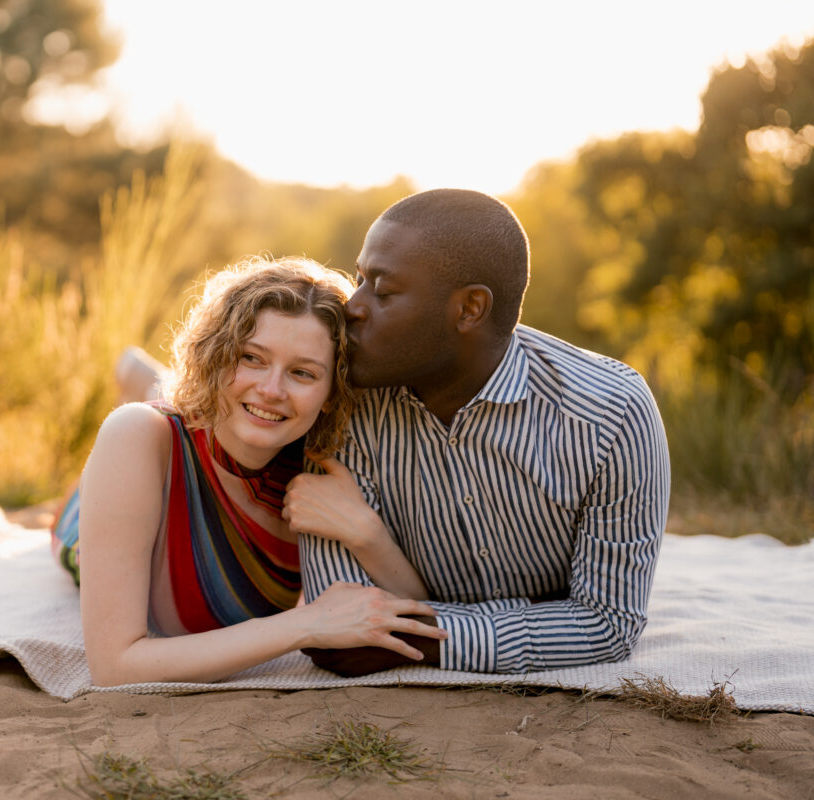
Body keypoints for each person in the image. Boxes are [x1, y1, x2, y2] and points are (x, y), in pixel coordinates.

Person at [285, 189, 671, 676]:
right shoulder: (344, 402)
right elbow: (339, 626)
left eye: (382, 292)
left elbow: (606, 624)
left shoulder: (610, 413)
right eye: (359, 280)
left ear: (469, 309)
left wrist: (421, 637)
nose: (352, 307)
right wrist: (547, 620)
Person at [51, 255, 448, 686]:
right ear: (216, 353)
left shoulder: (328, 463)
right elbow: (115, 668)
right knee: (150, 413)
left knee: (231, 404)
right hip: (116, 486)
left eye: (302, 372)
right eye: (251, 357)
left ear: (332, 393)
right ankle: (139, 375)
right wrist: (307, 624)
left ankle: (149, 376)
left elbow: (420, 611)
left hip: (226, 423)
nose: (273, 389)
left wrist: (365, 532)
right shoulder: (137, 436)